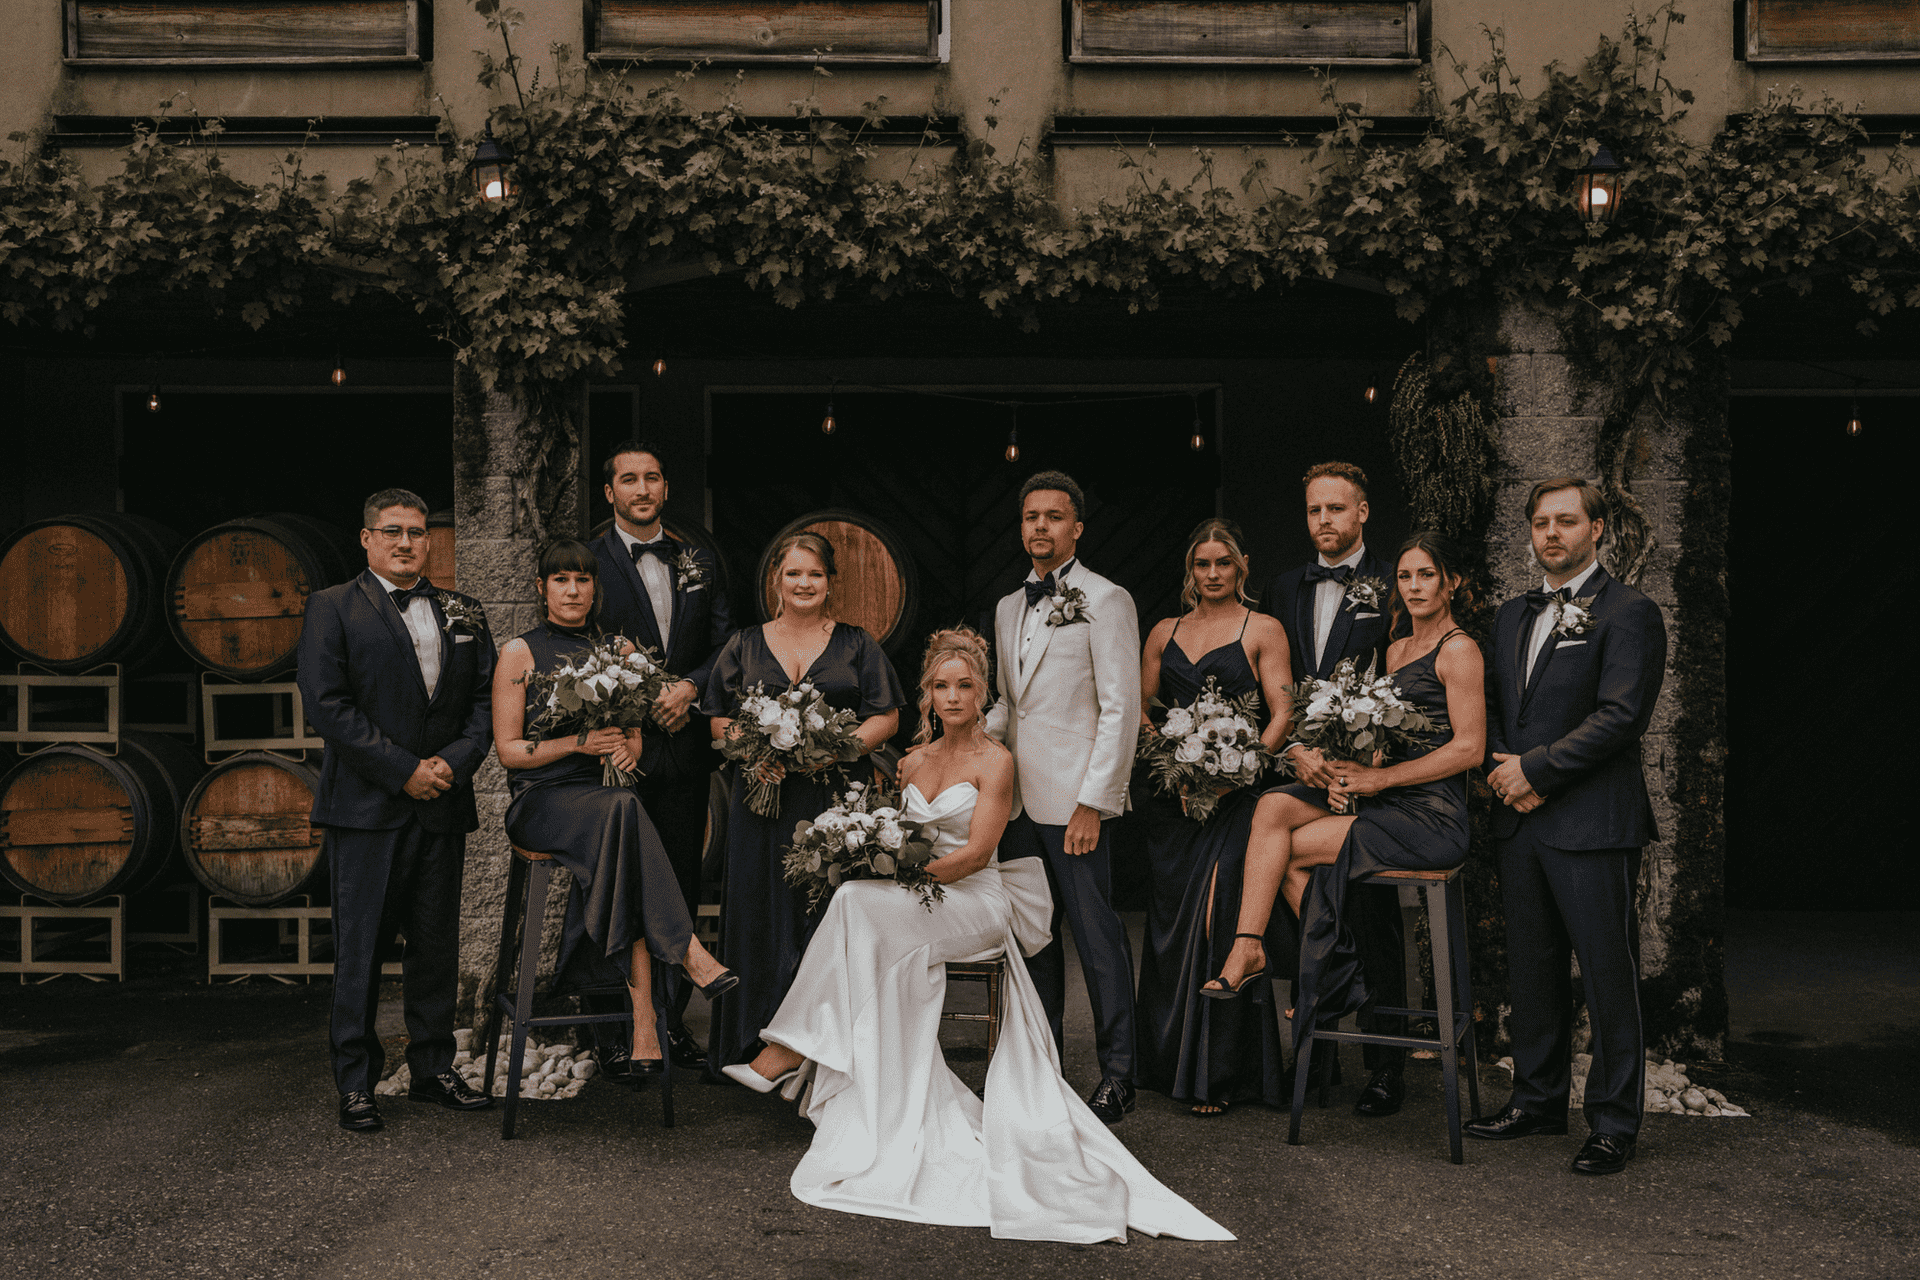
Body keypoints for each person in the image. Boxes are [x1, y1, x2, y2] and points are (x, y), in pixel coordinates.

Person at [722, 629, 1233, 1244]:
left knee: (859, 901)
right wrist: (868, 857)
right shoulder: (909, 761)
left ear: (981, 692)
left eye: (965, 685)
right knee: (855, 899)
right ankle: (807, 1049)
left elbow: (976, 854)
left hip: (974, 898)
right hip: (913, 894)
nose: (953, 696)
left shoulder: (996, 760)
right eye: (942, 686)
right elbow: (889, 829)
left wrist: (894, 876)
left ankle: (789, 1048)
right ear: (928, 695)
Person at [1207, 533, 1484, 1101]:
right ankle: (1259, 946)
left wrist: (1378, 780)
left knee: (1282, 852)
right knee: (1275, 806)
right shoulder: (1398, 646)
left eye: (1426, 575)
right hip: (1386, 799)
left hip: (1431, 815)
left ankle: (1321, 961)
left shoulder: (1459, 650)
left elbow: (1469, 749)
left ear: (1450, 582)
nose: (1413, 587)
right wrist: (1346, 775)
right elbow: (1385, 741)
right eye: (1405, 577)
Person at [1465, 478, 1667, 1178]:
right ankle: (1538, 1099)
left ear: (1598, 529)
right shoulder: (1511, 616)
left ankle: (1612, 1122)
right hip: (1518, 822)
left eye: (1567, 521)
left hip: (1592, 822)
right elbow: (1493, 701)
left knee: (1608, 976)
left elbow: (1620, 717)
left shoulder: (1629, 613)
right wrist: (1502, 772)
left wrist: (1536, 772)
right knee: (1534, 969)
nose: (1552, 533)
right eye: (1541, 522)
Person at [491, 539, 738, 1075]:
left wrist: (631, 746)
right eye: (561, 580)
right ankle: (684, 960)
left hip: (606, 798)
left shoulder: (622, 650)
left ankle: (645, 1023)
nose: (573, 590)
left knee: (623, 812)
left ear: (595, 588)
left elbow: (641, 734)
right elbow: (509, 750)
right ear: (542, 588)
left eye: (582, 580)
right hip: (542, 800)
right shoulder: (520, 652)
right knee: (626, 810)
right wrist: (578, 745)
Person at [297, 487, 496, 1133]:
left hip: (441, 802)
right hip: (366, 809)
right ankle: (356, 1082)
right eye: (392, 531)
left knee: (435, 948)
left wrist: (452, 765)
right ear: (367, 538)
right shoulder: (331, 607)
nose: (406, 542)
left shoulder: (464, 611)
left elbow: (485, 704)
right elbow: (328, 705)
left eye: (416, 531)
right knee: (361, 950)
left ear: (430, 538)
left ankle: (434, 1069)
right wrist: (402, 769)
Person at [702, 532, 904, 1075]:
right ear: (777, 581)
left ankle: (823, 1049)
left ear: (830, 582)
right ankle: (749, 1039)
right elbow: (718, 715)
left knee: (823, 913)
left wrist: (839, 749)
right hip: (761, 802)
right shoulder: (745, 643)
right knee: (758, 912)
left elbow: (887, 715)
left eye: (814, 574)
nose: (804, 584)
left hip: (831, 801)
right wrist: (749, 752)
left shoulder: (858, 644)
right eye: (793, 574)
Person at [984, 471, 1142, 1125]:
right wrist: (960, 751)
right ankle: (1039, 1060)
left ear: (1076, 528)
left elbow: (1121, 708)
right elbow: (1007, 704)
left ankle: (1119, 1073)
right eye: (1030, 517)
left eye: (1053, 517)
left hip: (1074, 806)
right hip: (1016, 804)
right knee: (1032, 936)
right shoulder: (1005, 607)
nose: (1040, 527)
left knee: (1097, 934)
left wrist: (1093, 802)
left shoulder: (1106, 600)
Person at [1252, 460, 1410, 1116]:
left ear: (1362, 512)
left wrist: (1360, 764)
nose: (1324, 521)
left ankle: (1386, 1066)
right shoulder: (1284, 587)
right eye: (1315, 510)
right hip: (1300, 770)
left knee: (1372, 917)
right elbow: (1271, 684)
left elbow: (1405, 681)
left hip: (1367, 778)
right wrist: (1291, 752)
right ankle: (1316, 1056)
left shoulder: (1394, 584)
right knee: (1300, 910)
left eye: (1336, 509)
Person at [1134, 518, 1296, 1116]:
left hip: (1238, 798)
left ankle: (1220, 1074)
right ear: (1190, 571)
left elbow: (1280, 709)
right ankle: (1163, 1060)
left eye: (1221, 564)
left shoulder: (1263, 628)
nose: (1211, 575)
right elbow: (1144, 709)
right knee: (1173, 926)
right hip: (1173, 799)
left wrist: (1241, 769)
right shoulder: (1164, 631)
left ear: (1241, 567)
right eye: (1201, 565)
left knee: (1218, 918)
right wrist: (1172, 762)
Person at [589, 441, 733, 1072]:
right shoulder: (587, 561)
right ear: (610, 493)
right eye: (628, 479)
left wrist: (692, 687)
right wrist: (645, 703)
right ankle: (615, 1030)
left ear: (665, 488)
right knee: (615, 882)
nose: (641, 489)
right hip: (619, 747)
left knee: (679, 873)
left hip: (687, 741)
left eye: (651, 478)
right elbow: (578, 643)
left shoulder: (698, 559)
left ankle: (670, 1024)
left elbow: (725, 639)